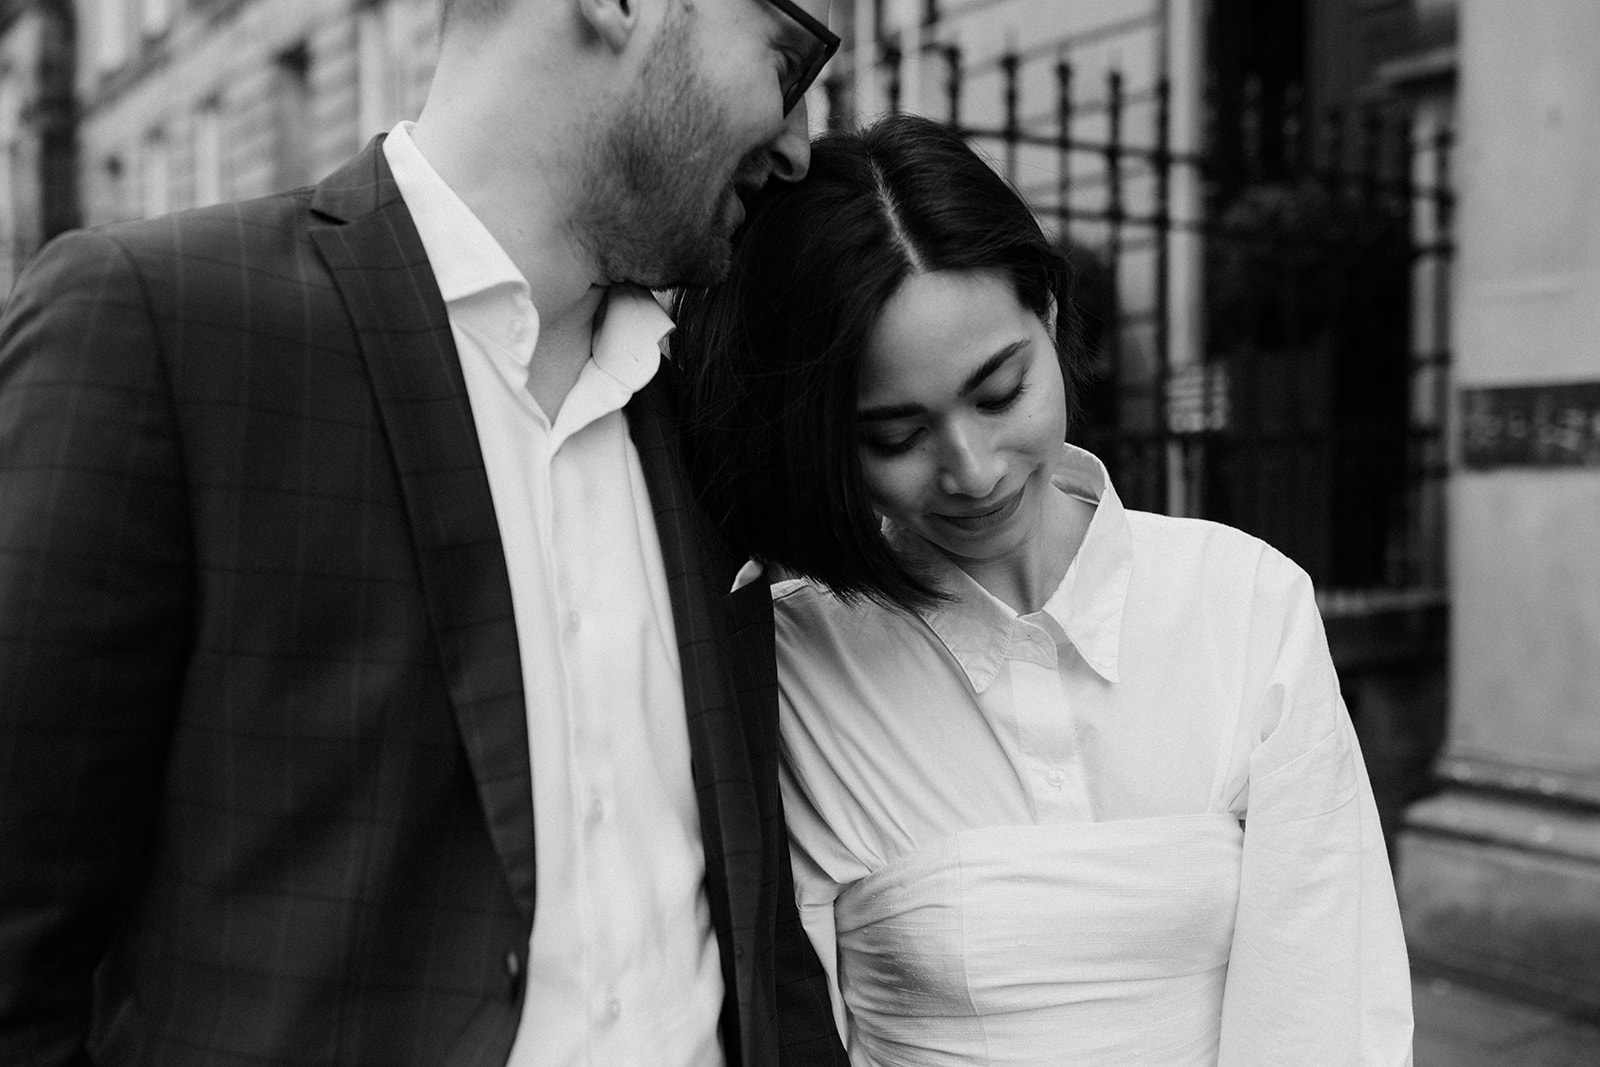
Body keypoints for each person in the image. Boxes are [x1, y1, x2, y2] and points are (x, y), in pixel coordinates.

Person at [0, 1, 849, 1064]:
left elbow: (754, 924)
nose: (797, 141)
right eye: (791, 57)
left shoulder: (702, 406)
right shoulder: (163, 326)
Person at [673, 112, 1414, 1065]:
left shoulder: (1245, 603)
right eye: (895, 436)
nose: (973, 469)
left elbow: (1325, 1008)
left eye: (999, 392)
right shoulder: (797, 664)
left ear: (1051, 320)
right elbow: (798, 1021)